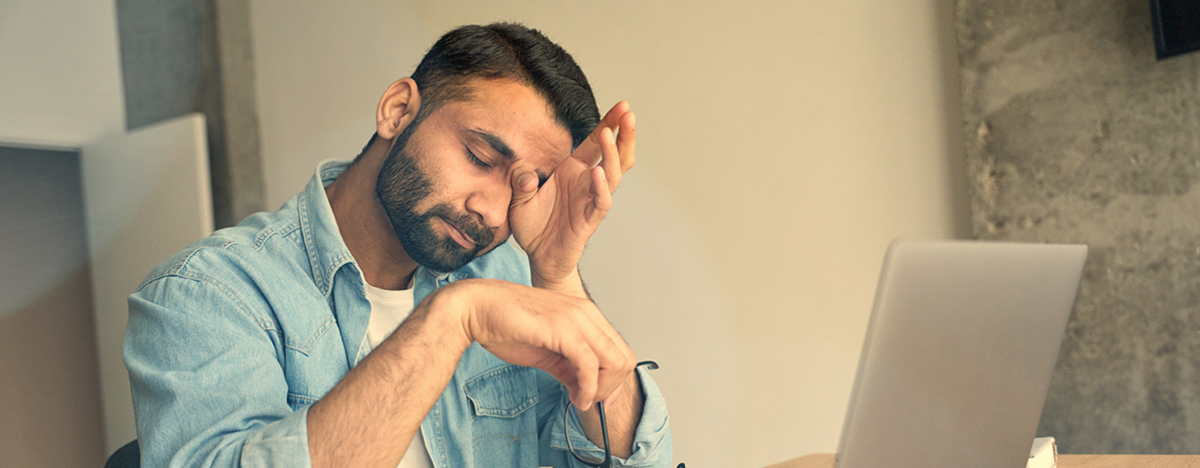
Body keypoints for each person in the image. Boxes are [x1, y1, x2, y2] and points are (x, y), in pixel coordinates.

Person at [124, 23, 671, 468]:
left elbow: (627, 460)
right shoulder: (208, 294)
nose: (491, 209)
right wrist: (452, 320)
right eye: (480, 159)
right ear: (398, 110)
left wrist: (558, 274)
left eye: (524, 187)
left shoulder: (509, 276)